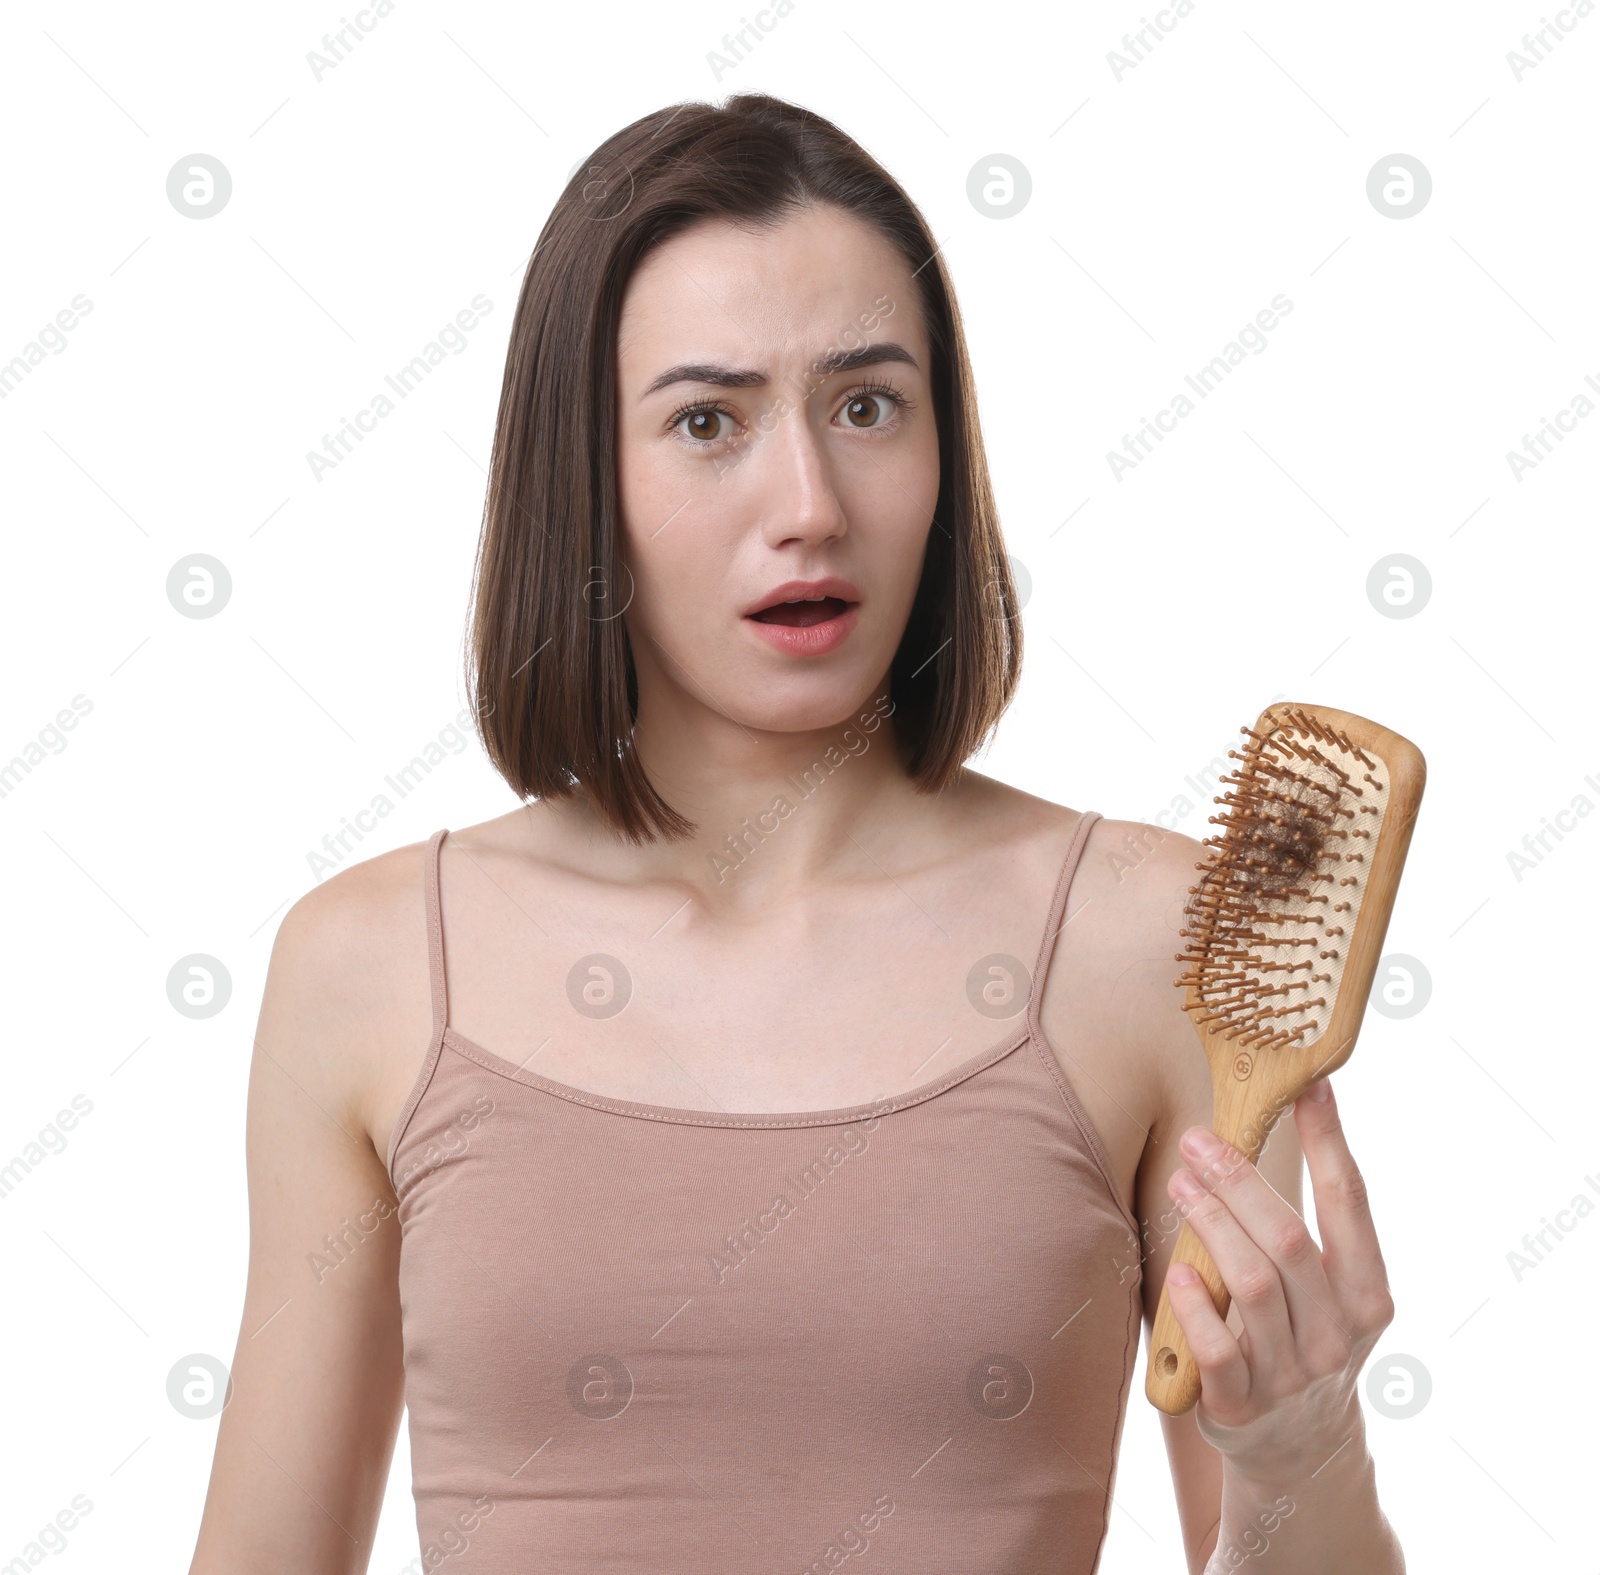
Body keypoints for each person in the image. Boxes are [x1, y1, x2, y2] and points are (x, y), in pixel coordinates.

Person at [187, 91, 1404, 1575]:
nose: (810, 503)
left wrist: (1300, 1448)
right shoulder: (368, 967)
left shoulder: (1149, 941)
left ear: (945, 454)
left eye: (868, 404)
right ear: (588, 480)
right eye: (709, 421)